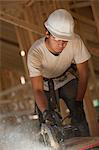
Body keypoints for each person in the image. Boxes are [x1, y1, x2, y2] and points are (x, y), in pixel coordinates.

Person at [27, 9, 91, 136]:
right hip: (45, 84)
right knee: (49, 123)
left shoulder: (76, 41)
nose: (62, 44)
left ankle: (86, 141)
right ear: (47, 33)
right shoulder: (35, 53)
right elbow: (37, 90)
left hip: (66, 79)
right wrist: (46, 112)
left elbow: (84, 75)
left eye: (65, 40)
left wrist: (78, 103)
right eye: (57, 39)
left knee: (79, 118)